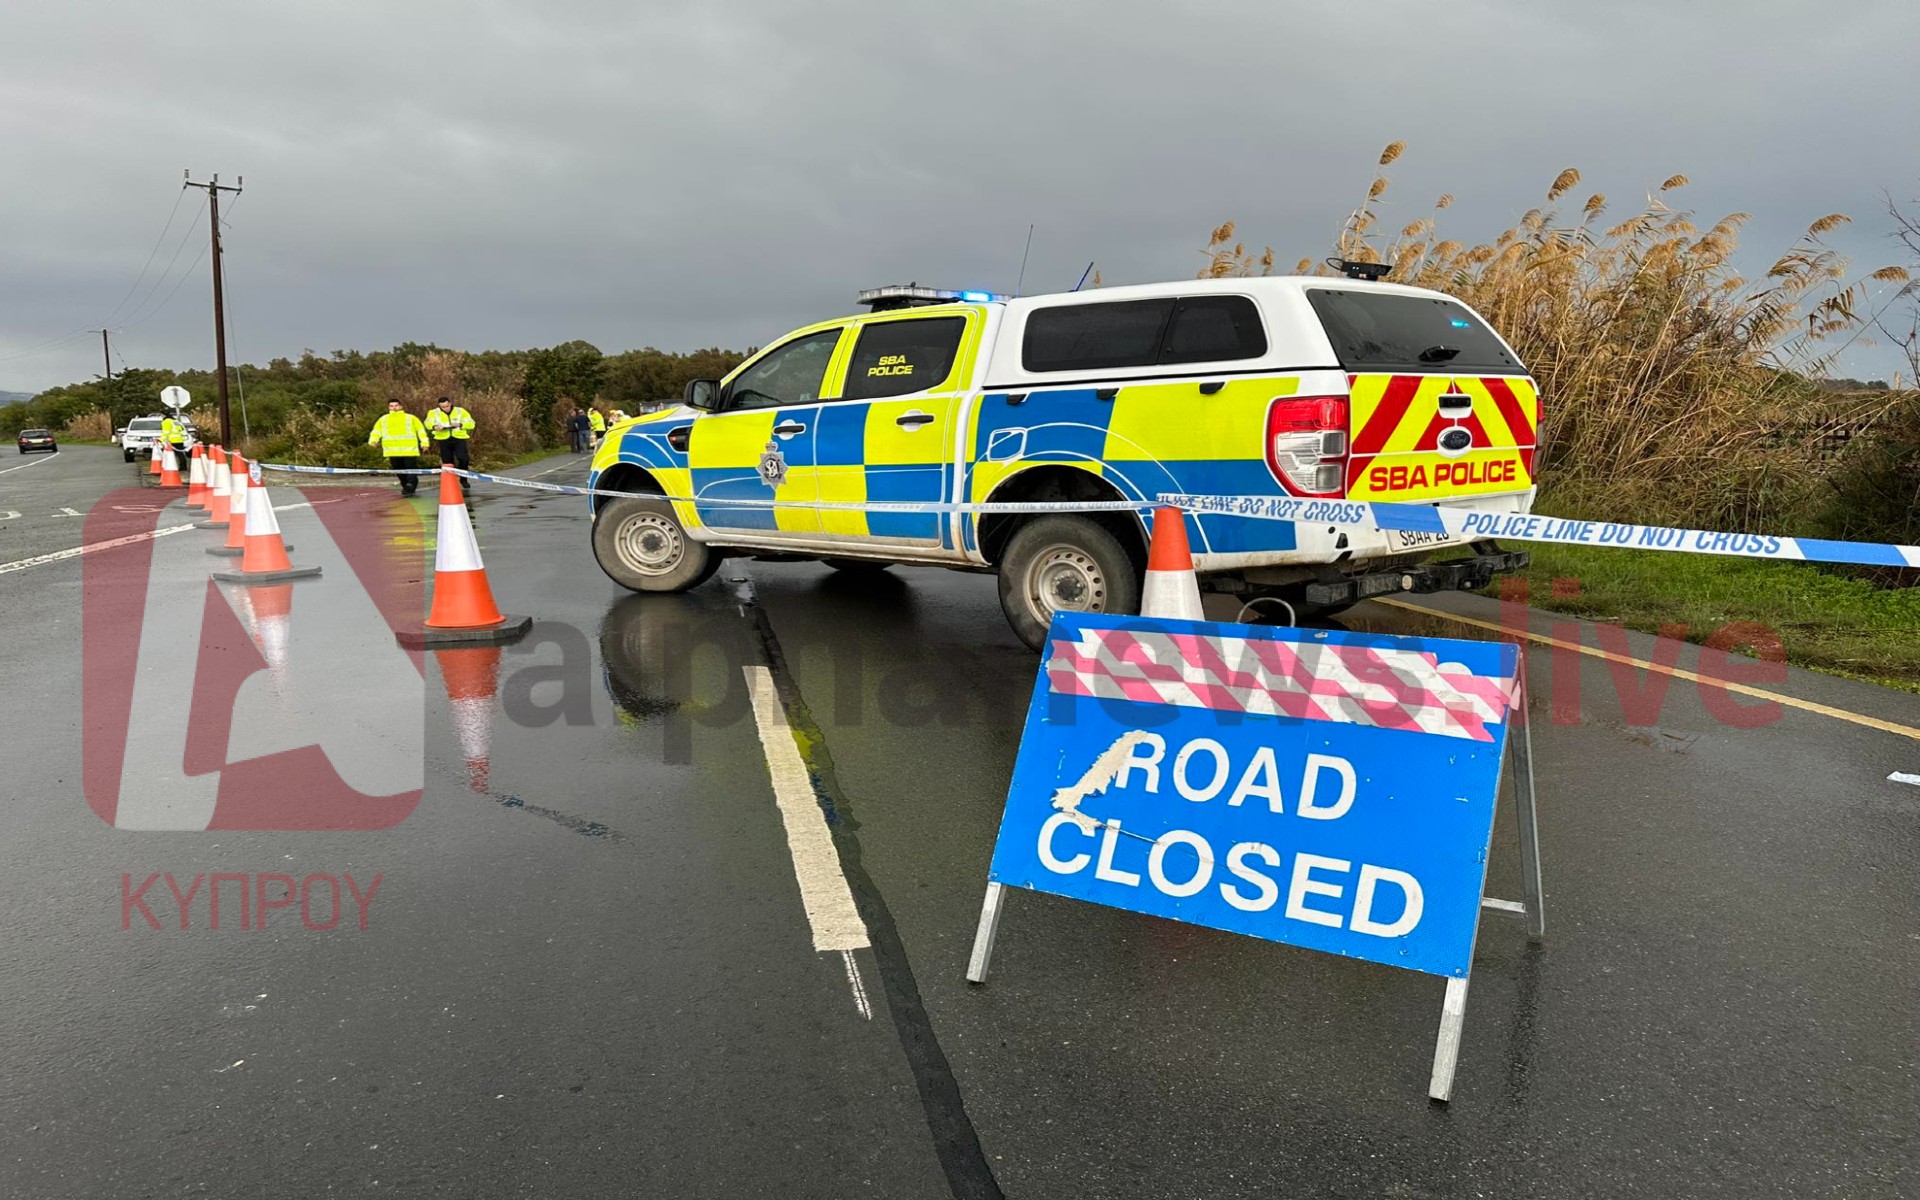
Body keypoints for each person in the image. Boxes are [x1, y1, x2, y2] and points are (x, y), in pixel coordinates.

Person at [368, 398, 431, 496]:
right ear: (388, 407)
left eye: (396, 405)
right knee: (399, 471)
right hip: (392, 451)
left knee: (410, 469)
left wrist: (424, 444)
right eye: (391, 406)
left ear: (401, 406)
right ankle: (405, 486)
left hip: (409, 450)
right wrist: (373, 441)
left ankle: (410, 485)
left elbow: (421, 431)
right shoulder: (383, 419)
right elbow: (376, 431)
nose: (394, 408)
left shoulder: (411, 418)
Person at [425, 395, 476, 494]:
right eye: (442, 407)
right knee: (448, 462)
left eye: (447, 406)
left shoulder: (460, 411)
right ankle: (452, 483)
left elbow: (472, 424)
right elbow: (427, 423)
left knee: (463, 459)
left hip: (459, 437)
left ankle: (463, 479)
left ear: (450, 403)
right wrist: (434, 426)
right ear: (439, 406)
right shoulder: (433, 412)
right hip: (443, 438)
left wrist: (460, 424)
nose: (445, 409)